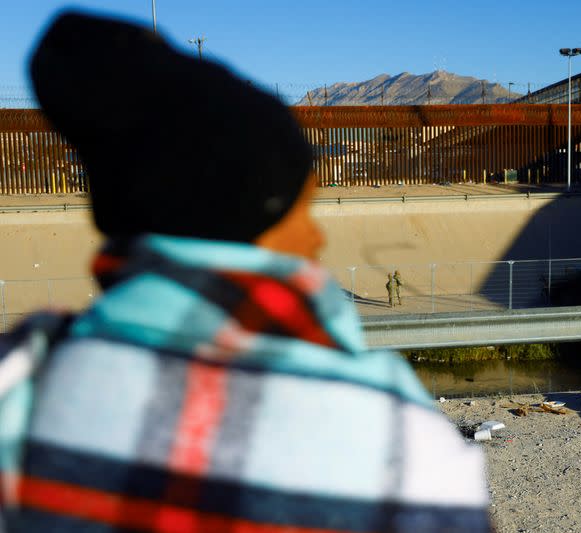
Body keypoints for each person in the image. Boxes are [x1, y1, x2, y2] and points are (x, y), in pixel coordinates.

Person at [0, 12, 491, 532]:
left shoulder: (22, 384)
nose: (317, 237)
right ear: (247, 215)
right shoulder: (396, 437)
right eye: (302, 209)